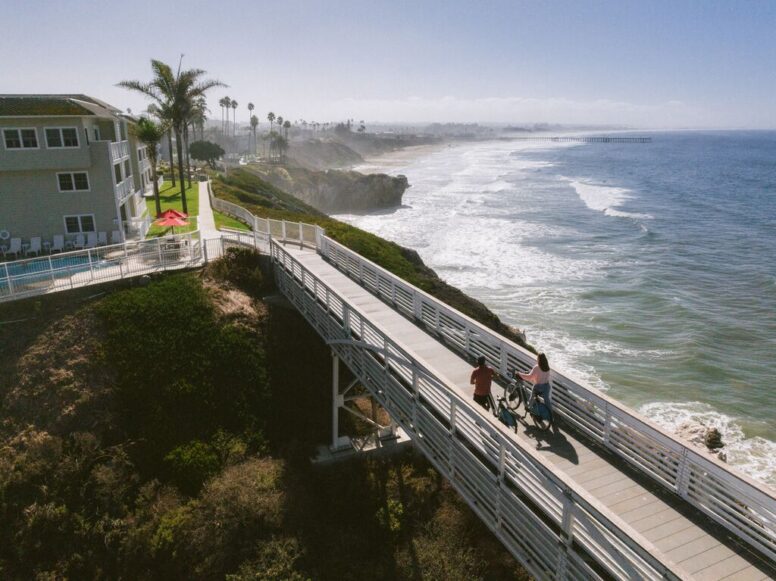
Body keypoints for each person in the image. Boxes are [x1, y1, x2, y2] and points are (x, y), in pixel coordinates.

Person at [517, 353, 554, 425]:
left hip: (539, 387)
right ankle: (551, 417)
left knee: (531, 397)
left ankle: (529, 407)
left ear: (539, 359)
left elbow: (529, 377)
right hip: (546, 387)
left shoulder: (537, 367)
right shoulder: (547, 367)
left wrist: (520, 374)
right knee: (547, 401)